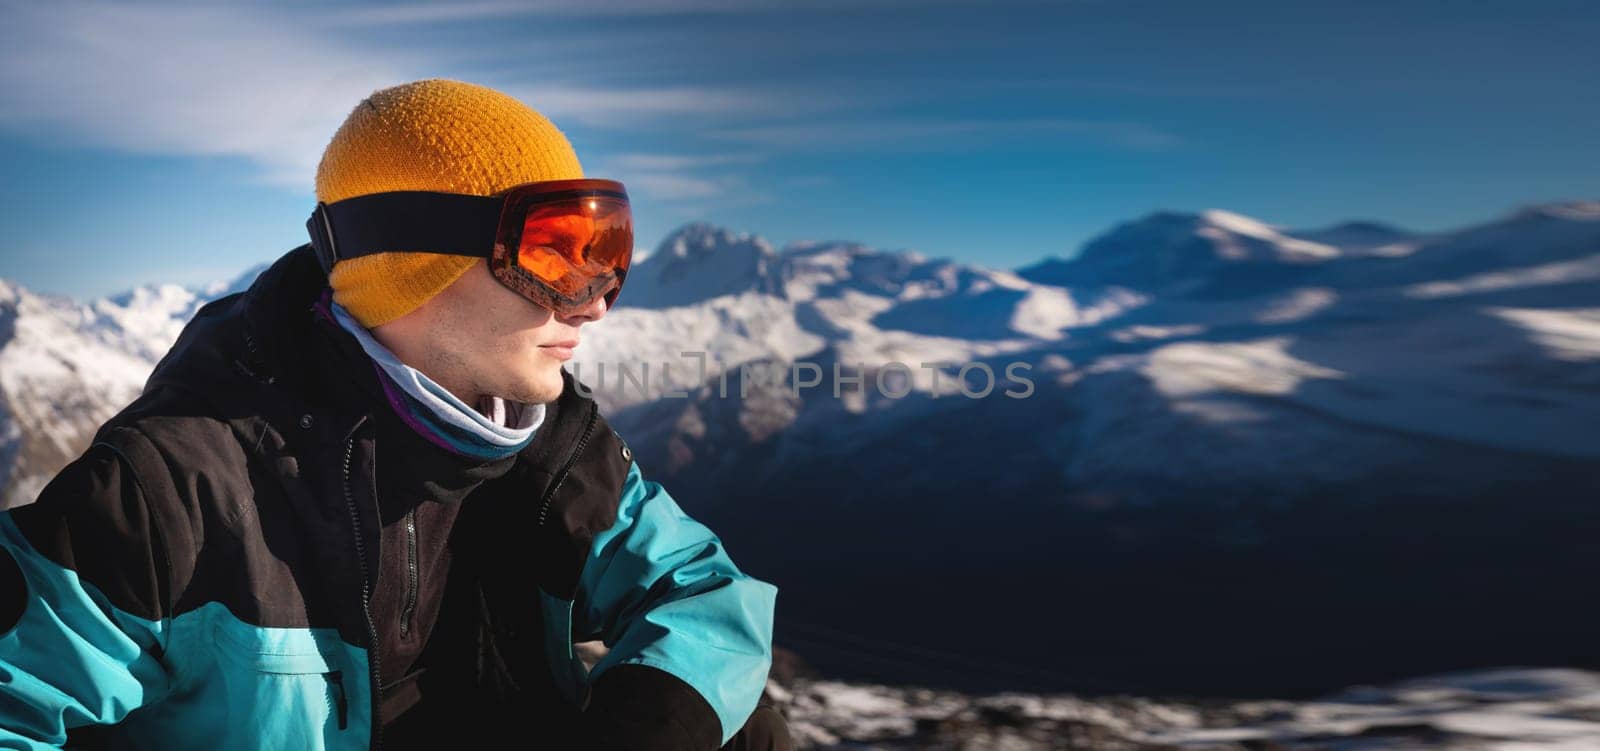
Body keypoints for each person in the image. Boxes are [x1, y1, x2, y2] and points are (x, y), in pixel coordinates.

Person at [0, 79, 792, 750]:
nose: (593, 304)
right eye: (558, 250)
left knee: (740, 719)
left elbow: (701, 592)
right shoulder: (169, 492)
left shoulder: (553, 446)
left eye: (605, 253)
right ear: (414, 265)